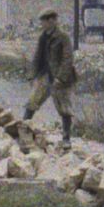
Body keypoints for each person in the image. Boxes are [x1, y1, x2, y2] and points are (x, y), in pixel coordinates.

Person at [24, 9, 79, 150]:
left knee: (64, 109)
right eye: (42, 21)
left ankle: (66, 139)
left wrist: (60, 78)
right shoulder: (43, 37)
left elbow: (68, 59)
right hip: (46, 76)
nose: (42, 24)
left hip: (62, 79)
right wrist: (32, 75)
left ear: (52, 21)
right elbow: (37, 57)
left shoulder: (63, 37)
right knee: (32, 102)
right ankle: (23, 133)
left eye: (44, 21)